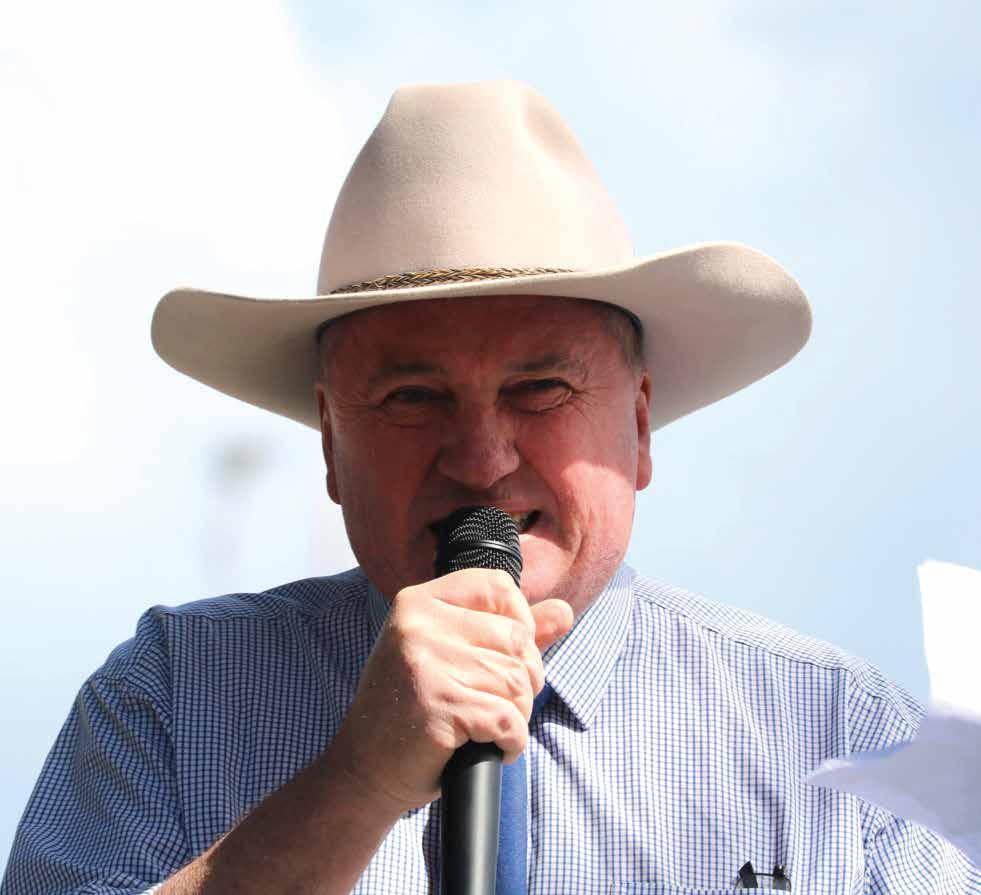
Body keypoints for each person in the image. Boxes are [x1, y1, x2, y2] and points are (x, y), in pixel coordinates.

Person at [2, 80, 977, 895]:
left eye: (539, 388)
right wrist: (355, 781)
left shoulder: (842, 738)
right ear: (331, 444)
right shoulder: (174, 699)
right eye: (411, 396)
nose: (478, 459)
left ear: (639, 423)